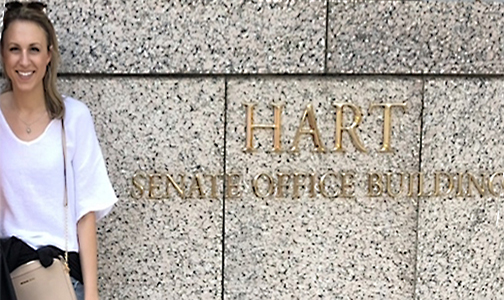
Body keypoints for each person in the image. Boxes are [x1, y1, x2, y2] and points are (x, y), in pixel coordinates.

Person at [0, 2, 117, 300]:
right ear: (3, 54)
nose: (24, 61)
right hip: (5, 280)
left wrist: (92, 293)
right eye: (15, 48)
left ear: (49, 54)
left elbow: (85, 212)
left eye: (34, 49)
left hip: (61, 281)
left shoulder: (73, 118)